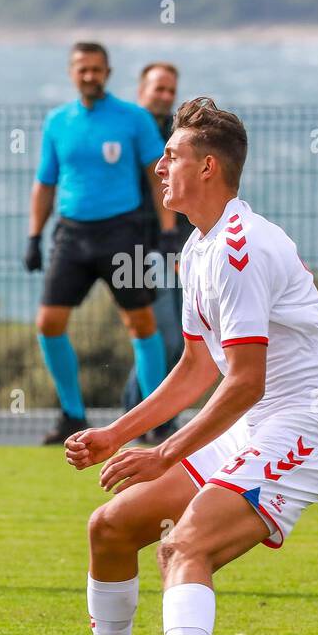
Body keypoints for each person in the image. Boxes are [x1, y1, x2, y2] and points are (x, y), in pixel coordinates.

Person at [37, 98, 318, 635]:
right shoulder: (198, 249)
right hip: (260, 418)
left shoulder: (243, 248)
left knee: (184, 544)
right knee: (109, 526)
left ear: (208, 167)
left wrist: (162, 453)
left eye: (172, 155)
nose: (159, 166)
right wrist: (115, 433)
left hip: (308, 421)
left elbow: (245, 380)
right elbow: (196, 367)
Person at [24, 42, 180, 444]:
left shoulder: (133, 119)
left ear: (108, 73)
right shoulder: (57, 122)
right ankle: (73, 415)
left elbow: (157, 175)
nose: (89, 75)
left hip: (122, 235)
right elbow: (45, 184)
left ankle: (156, 419)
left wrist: (166, 231)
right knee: (48, 324)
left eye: (97, 69)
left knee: (143, 326)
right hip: (72, 237)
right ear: (72, 72)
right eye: (83, 69)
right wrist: (34, 236)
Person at [122, 62, 195, 442]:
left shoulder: (179, 136)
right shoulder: (129, 132)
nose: (165, 96)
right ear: (141, 90)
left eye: (171, 90)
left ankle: (140, 417)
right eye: (158, 89)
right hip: (135, 251)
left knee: (180, 337)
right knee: (161, 336)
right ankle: (149, 420)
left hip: (177, 248)